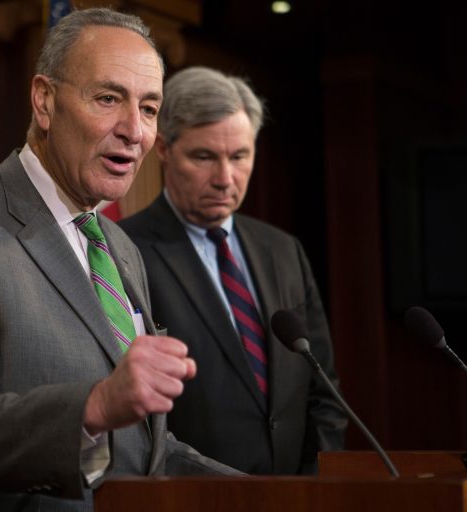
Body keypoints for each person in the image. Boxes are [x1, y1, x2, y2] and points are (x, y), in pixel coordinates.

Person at [0, 10, 239, 512]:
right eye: (108, 98)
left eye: (148, 108)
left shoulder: (120, 248)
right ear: (45, 101)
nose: (134, 130)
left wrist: (275, 495)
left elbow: (142, 451)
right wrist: (93, 406)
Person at [119, 66, 348, 475]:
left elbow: (324, 393)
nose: (225, 179)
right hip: (189, 495)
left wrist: (312, 489)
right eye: (204, 157)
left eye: (239, 156)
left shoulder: (283, 250)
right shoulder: (125, 250)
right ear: (164, 149)